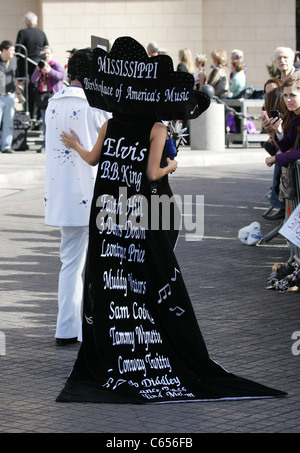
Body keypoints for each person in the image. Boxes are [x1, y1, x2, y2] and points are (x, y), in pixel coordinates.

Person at [56, 37, 285, 404]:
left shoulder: (111, 123)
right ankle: (150, 339)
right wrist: (174, 164)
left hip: (106, 215)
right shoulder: (157, 128)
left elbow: (93, 159)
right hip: (142, 214)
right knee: (148, 276)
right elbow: (152, 173)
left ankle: (111, 348)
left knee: (110, 281)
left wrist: (73, 144)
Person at [44, 49, 110, 346]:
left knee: (69, 262)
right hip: (93, 193)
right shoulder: (95, 107)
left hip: (63, 196)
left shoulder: (51, 104)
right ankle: (89, 329)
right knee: (97, 264)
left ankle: (66, 327)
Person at [16, 11, 49, 120]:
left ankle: (31, 115)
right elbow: (46, 48)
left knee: (29, 92)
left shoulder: (22, 32)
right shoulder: (41, 33)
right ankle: (38, 116)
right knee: (38, 91)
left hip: (27, 67)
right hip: (39, 66)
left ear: (25, 22)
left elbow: (18, 51)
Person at [31, 46, 65, 153]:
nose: (46, 56)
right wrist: (38, 70)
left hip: (54, 97)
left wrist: (50, 71)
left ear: (52, 54)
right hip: (43, 98)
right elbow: (33, 80)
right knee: (45, 122)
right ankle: (45, 144)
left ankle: (55, 144)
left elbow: (61, 76)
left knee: (55, 122)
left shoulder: (56, 65)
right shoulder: (40, 66)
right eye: (44, 54)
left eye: (48, 54)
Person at [265, 73, 300, 169]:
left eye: (292, 95)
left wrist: (276, 158)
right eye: (285, 95)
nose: (288, 99)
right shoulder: (292, 117)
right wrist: (279, 132)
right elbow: (287, 148)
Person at [0, 40, 23, 153]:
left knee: (9, 122)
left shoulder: (13, 62)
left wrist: (19, 94)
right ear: (4, 50)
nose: (13, 52)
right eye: (11, 50)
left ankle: (6, 146)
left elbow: (15, 78)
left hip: (9, 95)